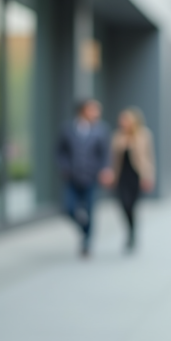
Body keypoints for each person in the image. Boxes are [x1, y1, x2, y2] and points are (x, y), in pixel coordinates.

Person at [57, 99, 111, 257]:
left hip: (91, 177)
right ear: (83, 111)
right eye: (93, 110)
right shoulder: (67, 128)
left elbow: (105, 153)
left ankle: (87, 242)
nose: (96, 113)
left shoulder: (101, 130)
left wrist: (105, 170)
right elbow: (60, 151)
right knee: (68, 209)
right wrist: (64, 167)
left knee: (89, 210)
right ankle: (84, 228)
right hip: (72, 178)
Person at [107, 107, 155, 251]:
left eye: (125, 119)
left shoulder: (144, 134)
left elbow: (149, 157)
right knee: (123, 204)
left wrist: (149, 176)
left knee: (132, 205)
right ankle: (129, 231)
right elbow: (112, 159)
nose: (122, 122)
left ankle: (132, 233)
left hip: (136, 176)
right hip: (121, 176)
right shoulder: (117, 136)